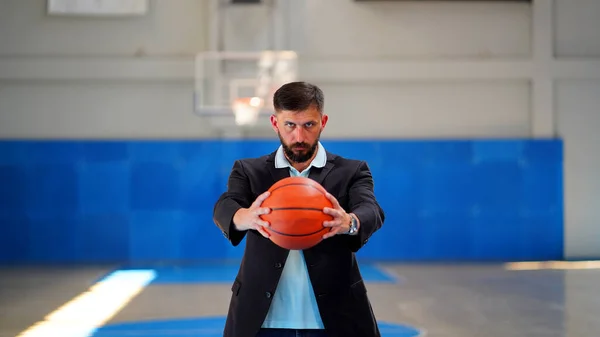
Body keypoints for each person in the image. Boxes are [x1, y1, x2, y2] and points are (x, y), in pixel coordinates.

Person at [213, 81, 385, 337]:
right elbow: (225, 205)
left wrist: (349, 221)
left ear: (323, 122)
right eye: (290, 125)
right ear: (275, 123)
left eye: (309, 125)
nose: (299, 137)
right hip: (262, 320)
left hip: (334, 318)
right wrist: (245, 216)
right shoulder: (250, 171)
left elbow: (371, 209)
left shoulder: (351, 171)